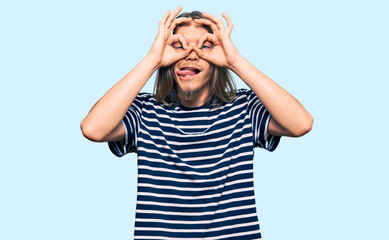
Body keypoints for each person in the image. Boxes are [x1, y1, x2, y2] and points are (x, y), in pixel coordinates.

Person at [81, 6, 313, 239]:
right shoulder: (144, 112)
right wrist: (152, 60)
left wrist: (235, 61)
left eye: (204, 46)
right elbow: (93, 128)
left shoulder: (245, 107)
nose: (191, 54)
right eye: (178, 46)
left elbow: (301, 123)